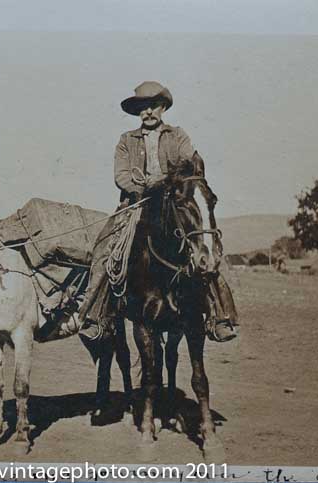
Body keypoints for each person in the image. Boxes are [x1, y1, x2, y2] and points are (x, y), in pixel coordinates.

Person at [78, 81, 237, 342]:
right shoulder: (126, 140)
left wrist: (166, 181)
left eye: (153, 106)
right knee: (106, 248)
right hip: (135, 205)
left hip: (172, 203)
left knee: (207, 247)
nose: (148, 112)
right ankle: (96, 315)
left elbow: (189, 165)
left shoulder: (178, 136)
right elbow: (121, 176)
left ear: (163, 108)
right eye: (143, 108)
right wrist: (142, 189)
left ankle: (221, 316)